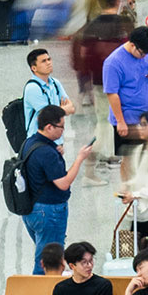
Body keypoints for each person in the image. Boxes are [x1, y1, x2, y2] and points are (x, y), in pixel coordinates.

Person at [18, 106, 94, 274]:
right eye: (61, 127)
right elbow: (64, 183)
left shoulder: (30, 142)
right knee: (49, 260)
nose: (63, 131)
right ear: (49, 127)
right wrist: (80, 158)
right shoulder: (46, 152)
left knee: (43, 251)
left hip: (32, 209)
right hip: (49, 212)